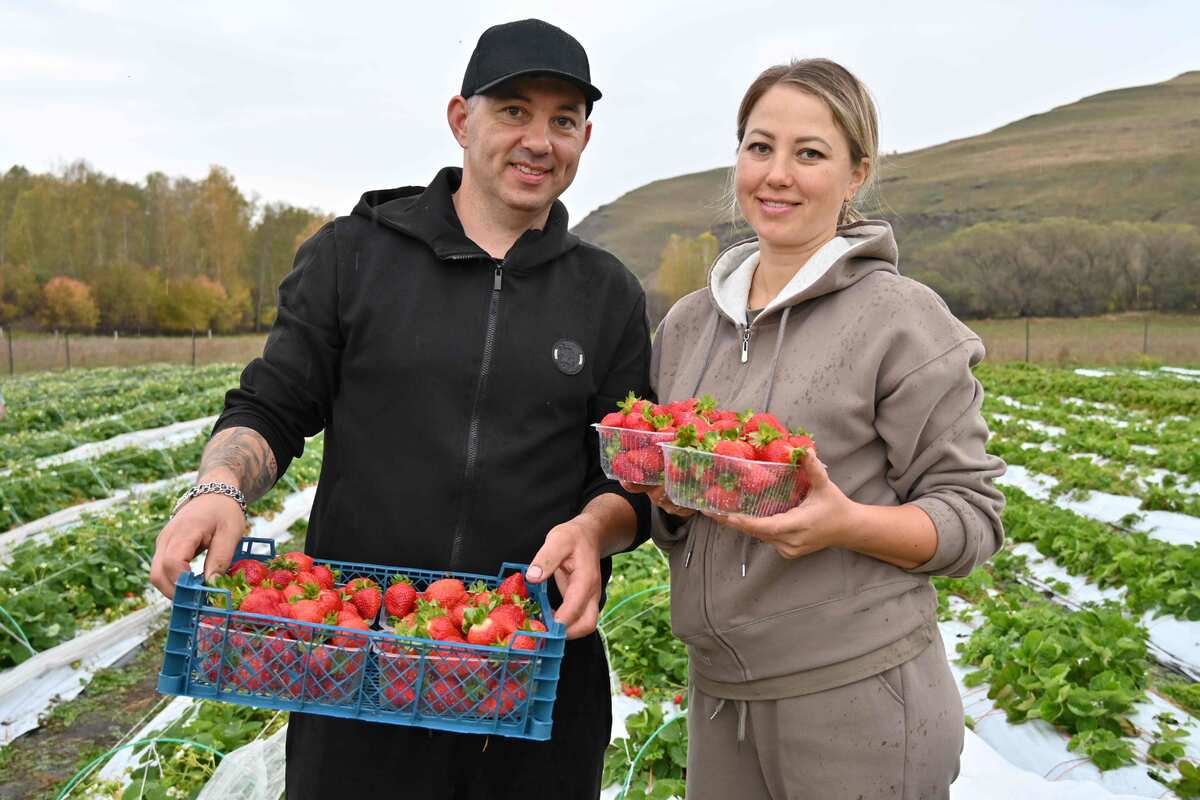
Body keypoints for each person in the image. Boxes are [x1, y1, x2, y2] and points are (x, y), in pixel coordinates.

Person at [149, 19, 652, 799]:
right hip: (359, 664)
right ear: (461, 119)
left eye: (563, 120)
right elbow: (272, 403)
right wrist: (219, 488)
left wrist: (594, 527)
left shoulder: (607, 293)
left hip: (536, 672)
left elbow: (623, 477)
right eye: (514, 111)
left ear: (586, 135)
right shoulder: (356, 254)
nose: (539, 140)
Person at [625, 59, 1006, 800]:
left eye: (810, 153)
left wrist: (845, 523)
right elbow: (683, 504)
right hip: (719, 695)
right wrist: (670, 502)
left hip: (856, 695)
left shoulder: (901, 319)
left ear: (856, 172)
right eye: (760, 147)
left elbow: (973, 518)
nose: (777, 175)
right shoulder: (687, 326)